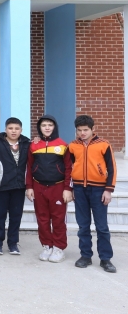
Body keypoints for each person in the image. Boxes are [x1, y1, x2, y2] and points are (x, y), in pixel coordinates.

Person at [69, 115, 117, 273]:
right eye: (79, 130)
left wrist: (108, 190)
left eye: (85, 130)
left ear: (92, 129)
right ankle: (85, 256)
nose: (82, 133)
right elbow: (69, 168)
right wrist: (71, 188)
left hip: (99, 190)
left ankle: (105, 258)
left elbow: (112, 168)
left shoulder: (104, 144)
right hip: (79, 189)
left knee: (101, 226)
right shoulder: (73, 146)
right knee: (83, 225)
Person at [26, 115, 72, 261]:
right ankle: (47, 245)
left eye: (50, 125)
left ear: (55, 127)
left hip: (58, 187)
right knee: (42, 218)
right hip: (38, 186)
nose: (47, 128)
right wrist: (29, 187)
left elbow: (69, 168)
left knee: (58, 219)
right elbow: (29, 166)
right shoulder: (33, 145)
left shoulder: (63, 145)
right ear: (39, 128)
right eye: (44, 125)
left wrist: (67, 188)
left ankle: (58, 248)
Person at [0, 117, 30, 256]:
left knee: (16, 216)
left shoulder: (27, 144)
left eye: (17, 128)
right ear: (5, 129)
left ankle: (13, 243)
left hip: (19, 186)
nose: (13, 131)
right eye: (10, 128)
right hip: (2, 186)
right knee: (0, 215)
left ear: (21, 130)